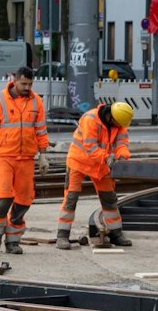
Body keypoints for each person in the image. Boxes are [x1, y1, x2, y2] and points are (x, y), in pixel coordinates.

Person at [0, 66, 50, 254]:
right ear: (15, 80)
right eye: (23, 84)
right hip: (4, 156)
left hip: (27, 158)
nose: (27, 88)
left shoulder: (36, 102)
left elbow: (41, 130)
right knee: (4, 197)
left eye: (30, 84)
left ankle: (13, 241)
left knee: (24, 201)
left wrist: (43, 155)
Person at [58, 101, 136, 249]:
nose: (119, 127)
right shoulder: (90, 119)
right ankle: (62, 236)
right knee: (71, 199)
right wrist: (107, 157)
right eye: (117, 124)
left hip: (100, 165)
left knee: (109, 199)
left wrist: (122, 156)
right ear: (110, 117)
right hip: (79, 162)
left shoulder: (119, 123)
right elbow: (90, 146)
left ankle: (116, 234)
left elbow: (121, 144)